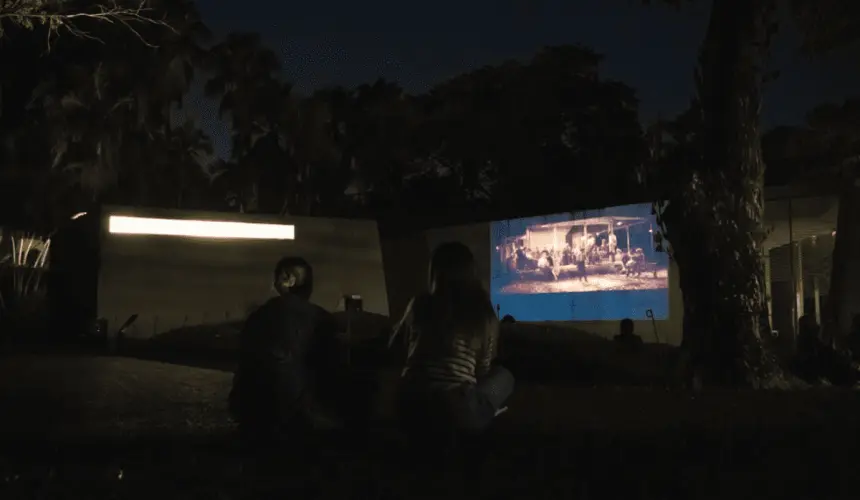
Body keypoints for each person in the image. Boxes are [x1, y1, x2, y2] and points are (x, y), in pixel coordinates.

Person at [389, 242, 514, 437]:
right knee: (505, 376)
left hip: (409, 402)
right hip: (455, 409)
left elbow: (395, 348)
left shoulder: (420, 303)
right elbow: (483, 370)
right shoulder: (483, 312)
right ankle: (484, 414)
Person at [229, 256, 343, 442]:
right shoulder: (322, 319)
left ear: (286, 280)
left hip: (258, 418)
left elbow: (245, 367)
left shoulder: (259, 317)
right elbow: (331, 371)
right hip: (303, 419)